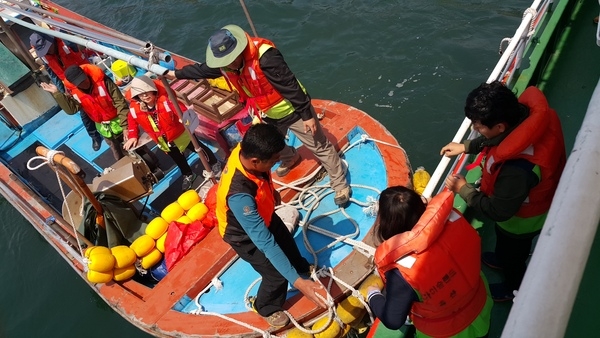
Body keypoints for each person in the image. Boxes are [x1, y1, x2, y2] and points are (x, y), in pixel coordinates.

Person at [168, 24, 351, 206]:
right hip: (267, 112)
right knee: (269, 147)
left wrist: (307, 115)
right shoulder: (225, 66)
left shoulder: (266, 57)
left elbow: (290, 84)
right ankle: (290, 157)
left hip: (293, 110)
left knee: (320, 145)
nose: (229, 65)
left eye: (231, 59)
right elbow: (202, 70)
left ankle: (340, 184)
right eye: (224, 62)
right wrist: (176, 73)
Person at [441, 81, 566, 301]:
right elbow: (498, 140)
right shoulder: (525, 117)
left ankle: (513, 288)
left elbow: (499, 211)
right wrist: (466, 146)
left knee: (514, 256)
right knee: (505, 245)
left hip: (522, 221)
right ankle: (502, 257)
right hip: (529, 201)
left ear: (499, 126)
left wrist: (464, 189)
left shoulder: (517, 170)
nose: (474, 129)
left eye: (479, 126)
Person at [215, 123, 326, 327]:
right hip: (243, 236)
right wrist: (299, 284)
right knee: (275, 276)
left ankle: (299, 266)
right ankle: (266, 307)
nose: (276, 164)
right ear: (256, 161)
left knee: (286, 240)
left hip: (263, 212)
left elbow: (262, 175)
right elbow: (265, 243)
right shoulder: (239, 196)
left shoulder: (246, 150)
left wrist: (271, 193)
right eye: (274, 161)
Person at [368, 187, 492, 338]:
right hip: (479, 305)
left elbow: (393, 320)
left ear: (387, 223)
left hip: (445, 332)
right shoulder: (453, 218)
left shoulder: (401, 271)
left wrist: (373, 295)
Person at [123, 75, 220, 190]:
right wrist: (133, 136)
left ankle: (214, 163)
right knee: (178, 158)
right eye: (141, 94)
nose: (145, 95)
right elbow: (132, 121)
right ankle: (188, 174)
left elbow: (181, 109)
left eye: (147, 92)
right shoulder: (135, 108)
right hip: (163, 140)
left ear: (153, 90)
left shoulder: (166, 100)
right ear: (136, 96)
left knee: (198, 148)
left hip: (181, 133)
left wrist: (183, 118)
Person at [30, 32, 103, 151]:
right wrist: (62, 90)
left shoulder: (66, 42)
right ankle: (94, 136)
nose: (47, 52)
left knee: (103, 100)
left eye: (47, 48)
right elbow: (53, 73)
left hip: (87, 77)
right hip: (71, 86)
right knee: (84, 112)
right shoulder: (44, 56)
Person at [41, 64, 129, 161]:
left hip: (121, 122)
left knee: (136, 149)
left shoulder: (104, 81)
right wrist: (57, 94)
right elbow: (72, 110)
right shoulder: (73, 92)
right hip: (105, 129)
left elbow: (120, 102)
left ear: (85, 74)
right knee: (119, 156)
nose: (84, 83)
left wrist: (126, 126)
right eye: (80, 83)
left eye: (84, 79)